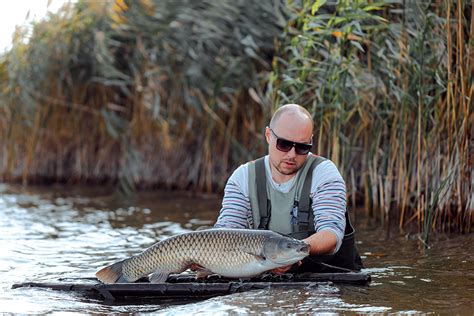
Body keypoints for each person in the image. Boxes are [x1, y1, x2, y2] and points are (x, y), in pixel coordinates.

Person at [214, 104, 363, 273]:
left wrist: (293, 254)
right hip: (266, 277)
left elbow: (332, 234)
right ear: (268, 135)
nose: (292, 154)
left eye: (302, 147)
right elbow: (224, 237)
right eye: (284, 144)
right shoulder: (242, 178)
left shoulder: (324, 173)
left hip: (327, 278)